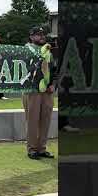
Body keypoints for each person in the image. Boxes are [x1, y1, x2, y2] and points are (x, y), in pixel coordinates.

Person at [22, 27, 55, 160]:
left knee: (45, 119)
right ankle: (32, 149)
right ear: (31, 37)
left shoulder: (48, 50)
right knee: (32, 120)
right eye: (38, 34)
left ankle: (42, 148)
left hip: (47, 90)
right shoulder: (26, 49)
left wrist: (52, 84)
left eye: (42, 34)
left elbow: (53, 68)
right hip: (32, 90)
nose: (42, 36)